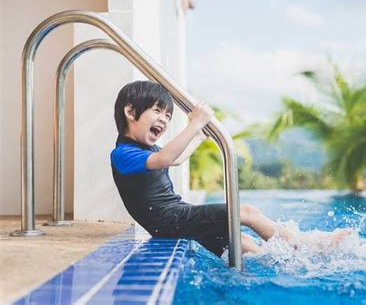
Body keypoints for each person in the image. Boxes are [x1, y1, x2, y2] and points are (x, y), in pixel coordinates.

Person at [110, 80, 351, 257]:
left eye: (168, 114)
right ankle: (302, 244)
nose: (164, 119)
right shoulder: (122, 154)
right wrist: (194, 124)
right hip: (168, 220)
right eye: (157, 111)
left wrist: (199, 137)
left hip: (174, 216)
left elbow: (176, 159)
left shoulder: (145, 152)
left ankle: (280, 261)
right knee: (245, 211)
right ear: (131, 112)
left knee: (239, 241)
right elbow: (163, 159)